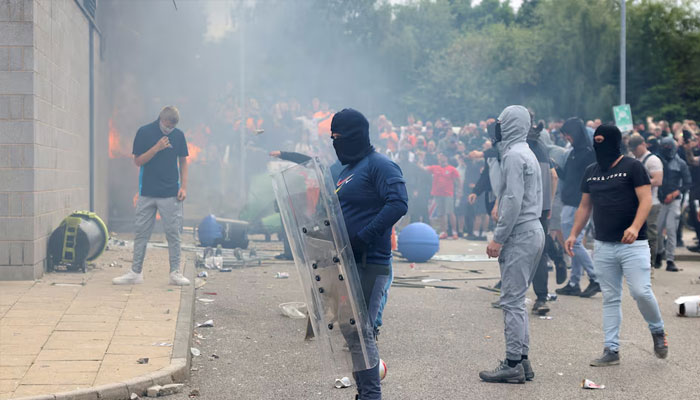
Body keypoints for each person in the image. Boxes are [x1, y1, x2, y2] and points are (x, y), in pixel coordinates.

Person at [565, 125, 667, 367]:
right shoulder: (591, 171)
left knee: (641, 292)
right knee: (610, 297)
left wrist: (634, 227)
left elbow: (646, 200)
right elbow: (584, 207)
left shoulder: (633, 167)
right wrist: (573, 234)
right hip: (603, 245)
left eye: (602, 140)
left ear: (614, 141)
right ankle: (611, 348)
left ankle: (658, 330)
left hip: (634, 245)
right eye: (595, 141)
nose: (598, 145)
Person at [330, 108, 408, 400]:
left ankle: (371, 395)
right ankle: (364, 393)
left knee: (361, 332)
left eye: (338, 137)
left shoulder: (381, 165)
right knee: (351, 333)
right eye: (332, 138)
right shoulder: (347, 169)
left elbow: (398, 203)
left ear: (354, 136)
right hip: (347, 263)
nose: (335, 143)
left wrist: (363, 238)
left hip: (370, 262)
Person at [479, 105, 544, 384]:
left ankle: (513, 363)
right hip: (532, 231)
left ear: (511, 125)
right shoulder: (524, 152)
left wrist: (498, 237)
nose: (497, 127)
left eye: (501, 122)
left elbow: (513, 200)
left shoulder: (514, 156)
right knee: (517, 300)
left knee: (512, 301)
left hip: (520, 233)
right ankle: (523, 360)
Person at [113, 106, 190, 286]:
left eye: (172, 126)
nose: (169, 129)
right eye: (167, 125)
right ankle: (135, 272)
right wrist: (156, 148)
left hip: (171, 193)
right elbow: (138, 161)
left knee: (173, 233)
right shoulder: (144, 132)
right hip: (147, 192)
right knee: (141, 233)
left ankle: (175, 273)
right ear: (161, 120)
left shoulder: (178, 136)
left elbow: (183, 162)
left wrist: (184, 187)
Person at [555, 118, 600, 298]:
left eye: (567, 133)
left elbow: (589, 179)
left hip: (577, 202)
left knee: (572, 242)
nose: (566, 137)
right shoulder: (574, 152)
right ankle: (574, 282)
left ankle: (595, 277)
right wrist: (557, 168)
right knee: (574, 243)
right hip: (572, 200)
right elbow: (568, 176)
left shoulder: (588, 154)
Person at [628, 134, 664, 275]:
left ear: (642, 145)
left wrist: (639, 183)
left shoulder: (653, 160)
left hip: (652, 202)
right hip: (637, 203)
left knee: (650, 234)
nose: (634, 152)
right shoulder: (636, 159)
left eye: (635, 149)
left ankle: (650, 265)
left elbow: (658, 180)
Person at [655, 136, 691, 272]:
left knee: (671, 230)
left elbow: (687, 183)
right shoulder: (657, 161)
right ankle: (659, 253)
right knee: (657, 231)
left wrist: (675, 193)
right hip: (659, 200)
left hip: (674, 200)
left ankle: (670, 259)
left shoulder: (680, 163)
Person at [424, 153, 461, 239]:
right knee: (441, 213)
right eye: (440, 157)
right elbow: (424, 169)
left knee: (450, 212)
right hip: (437, 194)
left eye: (443, 157)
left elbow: (458, 180)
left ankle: (454, 232)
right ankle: (443, 231)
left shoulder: (452, 169)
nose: (441, 159)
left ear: (446, 158)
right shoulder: (435, 168)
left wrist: (459, 191)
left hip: (448, 194)